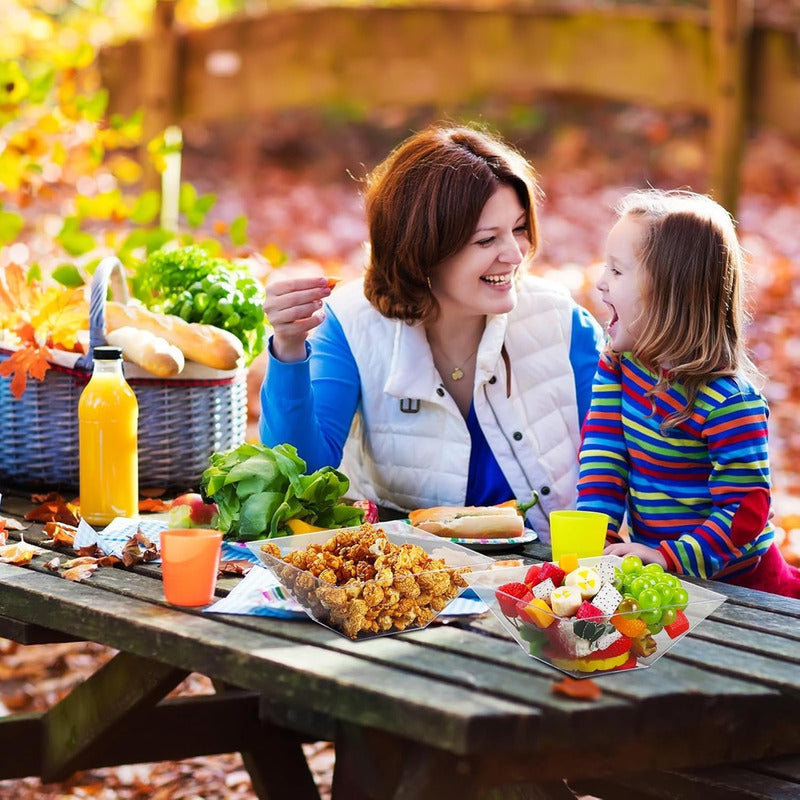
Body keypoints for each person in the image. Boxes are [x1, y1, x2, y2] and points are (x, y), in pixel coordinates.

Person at [260, 124, 603, 537]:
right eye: (486, 240)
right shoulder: (350, 324)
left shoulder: (565, 324)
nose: (514, 254)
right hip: (408, 568)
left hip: (549, 567)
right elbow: (301, 475)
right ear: (423, 250)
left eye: (518, 229)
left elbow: (613, 466)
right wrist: (289, 349)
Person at [577, 188, 800, 597]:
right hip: (661, 576)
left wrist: (669, 557)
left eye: (618, 271)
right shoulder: (619, 366)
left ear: (670, 293)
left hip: (742, 585)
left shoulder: (729, 402)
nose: (601, 282)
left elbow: (743, 514)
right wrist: (598, 538)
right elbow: (604, 456)